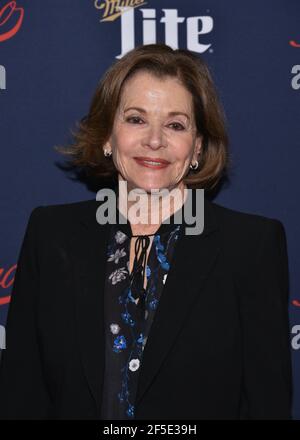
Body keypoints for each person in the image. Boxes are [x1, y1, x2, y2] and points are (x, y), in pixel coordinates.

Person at [0, 44, 292, 420]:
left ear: (198, 146)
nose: (155, 140)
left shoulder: (251, 247)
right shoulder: (50, 235)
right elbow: (22, 393)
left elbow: (266, 406)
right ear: (108, 136)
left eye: (175, 124)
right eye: (136, 119)